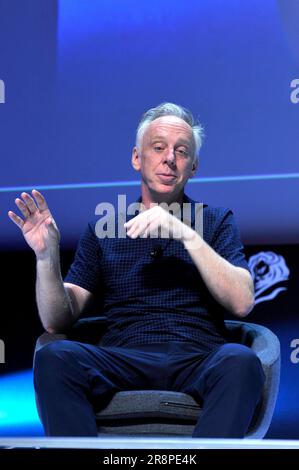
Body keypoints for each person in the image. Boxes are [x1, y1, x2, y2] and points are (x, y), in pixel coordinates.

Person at [8, 102, 265, 437]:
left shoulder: (215, 221)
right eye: (158, 148)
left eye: (181, 151)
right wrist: (46, 256)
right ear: (136, 158)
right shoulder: (105, 228)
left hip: (197, 357)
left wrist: (183, 231)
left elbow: (242, 301)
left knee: (241, 362)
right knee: (55, 358)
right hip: (123, 358)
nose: (169, 158)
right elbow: (58, 319)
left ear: (194, 167)